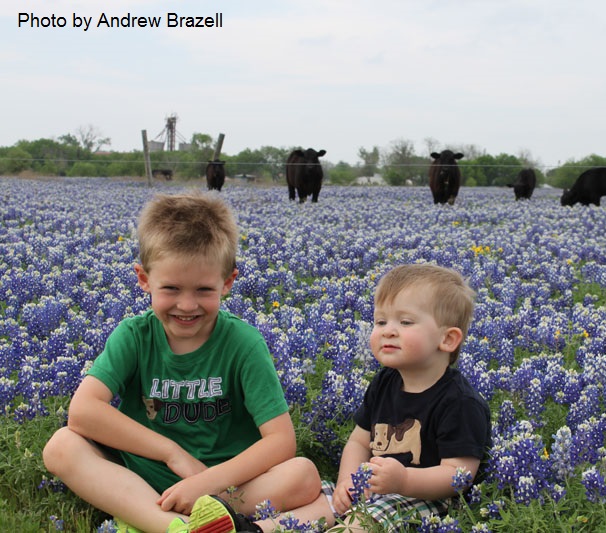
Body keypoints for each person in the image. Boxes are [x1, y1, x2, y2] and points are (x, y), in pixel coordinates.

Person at [42, 191, 321, 533]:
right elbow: (82, 412)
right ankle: (175, 527)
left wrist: (206, 485)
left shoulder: (244, 344)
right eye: (171, 288)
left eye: (203, 290)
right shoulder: (134, 335)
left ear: (228, 282)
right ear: (144, 279)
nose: (187, 305)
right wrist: (170, 452)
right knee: (61, 446)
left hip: (224, 482)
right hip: (144, 473)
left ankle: (173, 519)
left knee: (303, 474)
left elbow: (281, 441)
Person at [184, 263, 492, 532]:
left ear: (448, 339)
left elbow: (459, 475)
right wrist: (347, 481)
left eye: (405, 322)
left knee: (366, 520)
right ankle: (256, 529)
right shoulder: (386, 382)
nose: (388, 331)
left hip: (425, 502)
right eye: (381, 322)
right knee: (324, 497)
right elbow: (359, 442)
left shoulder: (460, 402)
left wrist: (404, 481)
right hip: (373, 488)